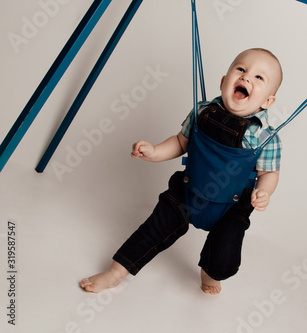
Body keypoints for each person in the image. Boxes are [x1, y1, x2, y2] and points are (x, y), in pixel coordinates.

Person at [80, 48, 283, 295]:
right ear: (223, 82)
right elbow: (180, 142)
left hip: (231, 206)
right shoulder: (201, 112)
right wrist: (154, 152)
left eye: (259, 78)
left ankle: (210, 273)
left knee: (224, 259)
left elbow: (269, 173)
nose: (246, 78)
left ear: (267, 102)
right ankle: (116, 272)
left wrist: (264, 192)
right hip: (187, 190)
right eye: (240, 69)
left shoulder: (265, 137)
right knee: (154, 228)